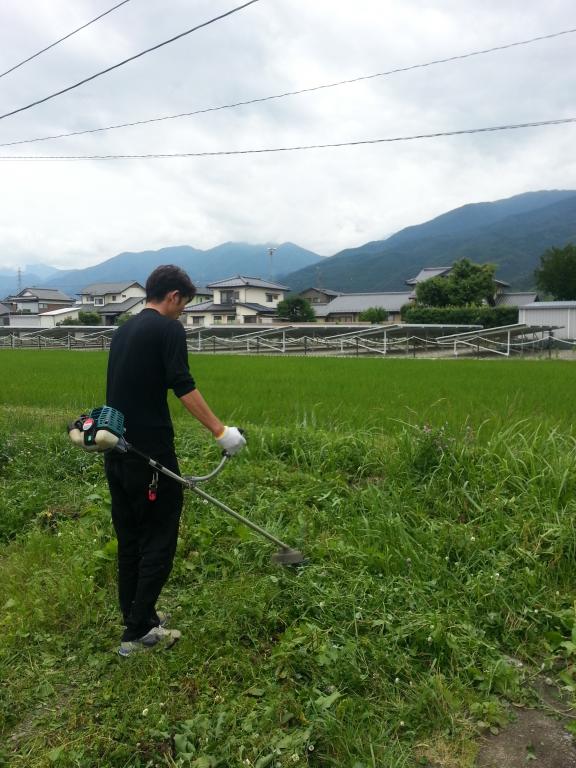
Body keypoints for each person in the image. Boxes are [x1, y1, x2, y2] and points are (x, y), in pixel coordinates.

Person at [104, 264, 246, 657]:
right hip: (151, 456)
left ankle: (138, 616)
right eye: (183, 304)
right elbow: (183, 386)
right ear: (172, 297)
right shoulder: (168, 329)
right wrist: (222, 432)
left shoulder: (123, 330)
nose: (182, 311)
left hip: (115, 449)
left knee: (130, 539)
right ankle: (137, 635)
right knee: (160, 540)